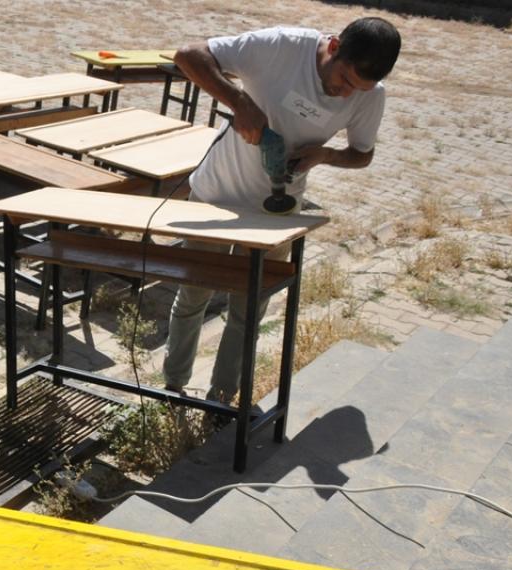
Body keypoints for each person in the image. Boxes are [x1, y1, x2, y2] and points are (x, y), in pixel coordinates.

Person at [162, 18, 401, 405]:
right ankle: (172, 388)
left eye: (357, 89)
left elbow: (362, 154)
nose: (344, 94)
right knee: (194, 294)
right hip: (217, 193)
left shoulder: (370, 96)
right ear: (334, 47)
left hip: (276, 213)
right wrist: (240, 103)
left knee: (248, 308)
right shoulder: (282, 46)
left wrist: (323, 155)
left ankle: (222, 399)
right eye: (344, 79)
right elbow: (189, 55)